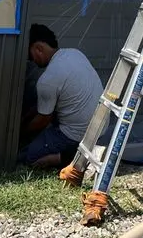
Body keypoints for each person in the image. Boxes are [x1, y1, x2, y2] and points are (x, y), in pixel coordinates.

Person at [20, 23, 103, 169]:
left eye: (30, 55)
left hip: (75, 135)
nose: (31, 61)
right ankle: (82, 151)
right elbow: (44, 107)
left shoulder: (48, 80)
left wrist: (20, 133)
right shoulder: (75, 53)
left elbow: (42, 120)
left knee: (27, 156)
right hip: (100, 127)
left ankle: (65, 157)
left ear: (38, 48)